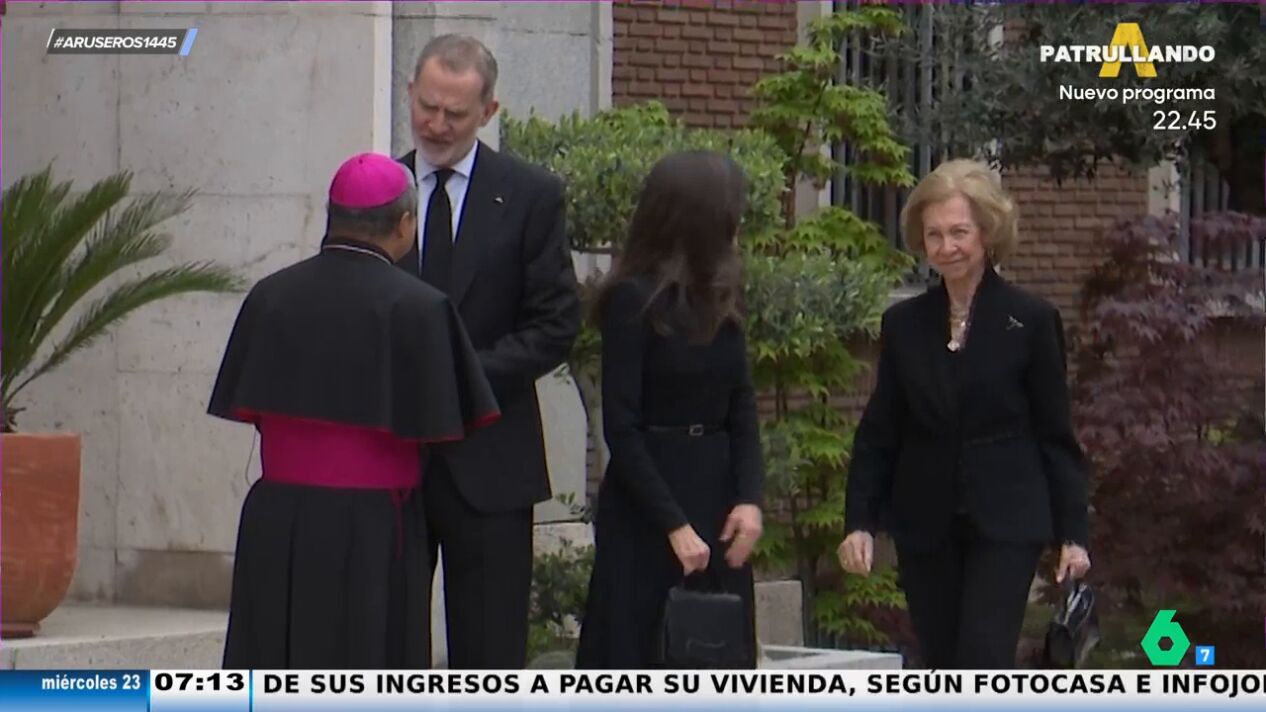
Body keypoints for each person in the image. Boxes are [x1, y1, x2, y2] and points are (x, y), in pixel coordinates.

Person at [208, 152, 500, 668]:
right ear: (405, 224)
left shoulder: (270, 296)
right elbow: (451, 420)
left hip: (279, 519)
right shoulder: (423, 308)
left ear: (332, 215)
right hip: (374, 527)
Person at [836, 158, 1092, 669]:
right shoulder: (904, 324)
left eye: (959, 232)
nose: (945, 247)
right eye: (934, 235)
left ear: (987, 233)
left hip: (1007, 520)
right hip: (924, 522)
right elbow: (881, 429)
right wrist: (859, 521)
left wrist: (1073, 535)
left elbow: (1055, 434)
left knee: (982, 657)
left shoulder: (1030, 320)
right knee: (939, 662)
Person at [396, 34, 581, 669]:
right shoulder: (380, 189)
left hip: (492, 459)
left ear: (489, 112)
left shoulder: (530, 195)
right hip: (393, 460)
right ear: (410, 94)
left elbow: (555, 324)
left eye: (455, 113)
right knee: (388, 647)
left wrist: (463, 375)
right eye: (426, 106)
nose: (436, 125)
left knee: (489, 655)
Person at [575, 151, 765, 669]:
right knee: (640, 648)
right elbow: (622, 426)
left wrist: (750, 499)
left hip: (716, 493)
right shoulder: (632, 300)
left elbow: (742, 404)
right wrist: (674, 525)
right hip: (648, 503)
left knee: (714, 650)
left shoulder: (723, 295)